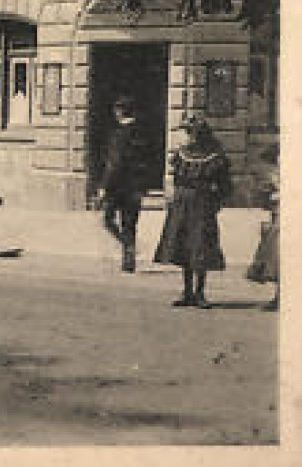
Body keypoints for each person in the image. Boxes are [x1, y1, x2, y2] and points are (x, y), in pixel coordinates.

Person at [153, 113, 235, 309]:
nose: (190, 137)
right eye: (188, 133)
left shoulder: (214, 156)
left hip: (202, 203)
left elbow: (225, 185)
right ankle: (187, 291)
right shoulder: (182, 154)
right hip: (182, 204)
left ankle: (200, 292)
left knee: (200, 246)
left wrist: (216, 201)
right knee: (183, 246)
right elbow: (176, 178)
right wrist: (173, 197)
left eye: (193, 133)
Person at [98, 96, 148, 273]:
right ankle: (129, 259)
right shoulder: (142, 132)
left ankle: (128, 249)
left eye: (117, 110)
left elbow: (114, 163)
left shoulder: (119, 134)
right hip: (136, 187)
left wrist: (104, 186)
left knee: (107, 220)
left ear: (120, 111)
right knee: (130, 224)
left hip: (118, 187)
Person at [246, 146, 280, 311]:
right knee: (276, 258)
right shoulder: (275, 174)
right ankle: (278, 296)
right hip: (279, 217)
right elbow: (265, 198)